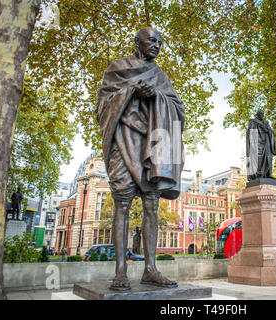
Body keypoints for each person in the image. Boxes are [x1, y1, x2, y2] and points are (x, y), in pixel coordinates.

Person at [95, 27, 185, 291]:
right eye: (152, 41)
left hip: (152, 144)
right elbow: (101, 105)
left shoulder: (161, 76)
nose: (157, 45)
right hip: (124, 141)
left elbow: (178, 109)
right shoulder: (117, 68)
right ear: (137, 42)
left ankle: (151, 269)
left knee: (152, 206)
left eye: (160, 42)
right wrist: (132, 89)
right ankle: (120, 272)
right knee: (122, 203)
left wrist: (156, 94)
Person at [246, 109, 276, 181]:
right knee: (257, 158)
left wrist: (268, 130)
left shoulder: (266, 122)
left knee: (268, 158)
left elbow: (270, 131)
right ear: (257, 114)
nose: (261, 115)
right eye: (260, 113)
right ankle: (258, 174)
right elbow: (249, 132)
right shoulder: (252, 121)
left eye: (262, 114)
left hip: (266, 143)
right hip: (256, 143)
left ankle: (267, 174)